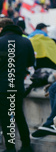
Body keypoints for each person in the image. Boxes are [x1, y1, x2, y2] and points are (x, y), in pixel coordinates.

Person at [0, 18, 35, 152]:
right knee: (19, 115)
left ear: (2, 29)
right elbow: (30, 62)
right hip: (17, 84)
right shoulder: (26, 41)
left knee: (5, 116)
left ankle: (10, 148)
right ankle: (26, 145)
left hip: (3, 85)